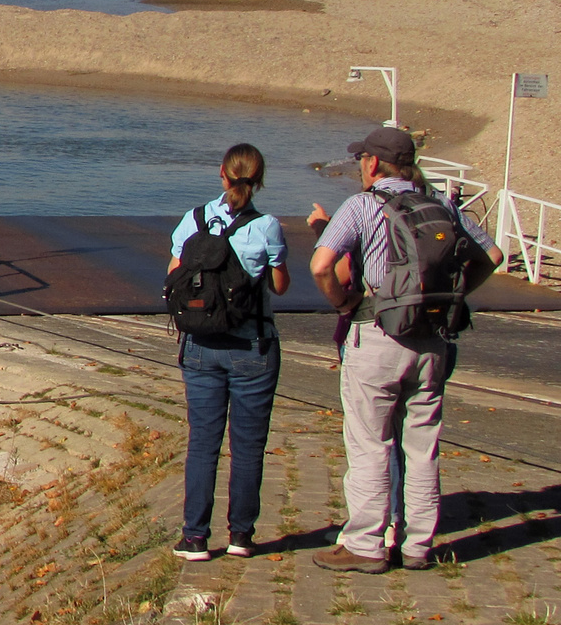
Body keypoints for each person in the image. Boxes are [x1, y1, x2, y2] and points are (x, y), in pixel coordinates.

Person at [307, 126, 503, 574]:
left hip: (377, 334)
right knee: (422, 446)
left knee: (371, 443)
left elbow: (321, 266)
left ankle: (365, 544)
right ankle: (418, 545)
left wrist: (344, 301)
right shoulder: (444, 206)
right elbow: (492, 256)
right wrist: (457, 296)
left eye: (362, 160)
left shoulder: (361, 205)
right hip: (432, 340)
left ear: (373, 164)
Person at [169, 143, 289, 562]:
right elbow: (279, 285)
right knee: (248, 446)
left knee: (203, 443)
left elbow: (172, 275)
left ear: (221, 173)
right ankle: (241, 535)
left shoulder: (196, 219)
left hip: (200, 346)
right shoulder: (267, 226)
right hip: (251, 346)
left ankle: (195, 538)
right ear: (258, 179)